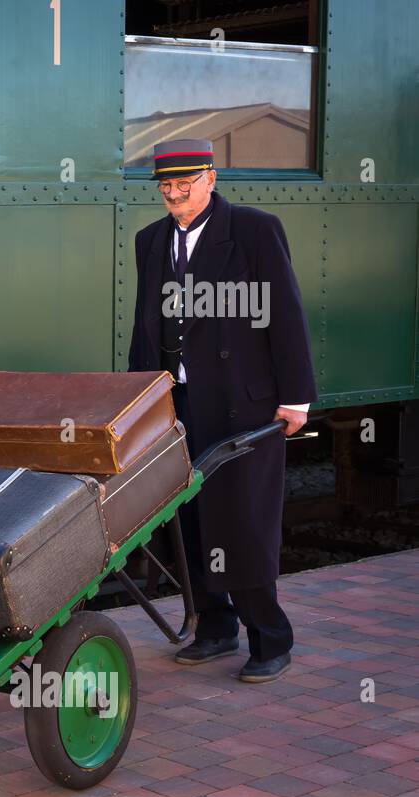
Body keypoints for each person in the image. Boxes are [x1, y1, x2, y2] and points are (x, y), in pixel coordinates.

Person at [128, 138, 317, 682]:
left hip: (244, 407)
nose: (175, 192)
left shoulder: (255, 231)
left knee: (242, 522)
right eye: (166, 184)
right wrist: (138, 399)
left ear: (210, 178)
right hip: (177, 404)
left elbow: (284, 313)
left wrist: (296, 396)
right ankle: (215, 627)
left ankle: (270, 638)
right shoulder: (151, 241)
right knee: (186, 518)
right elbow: (147, 328)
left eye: (185, 182)